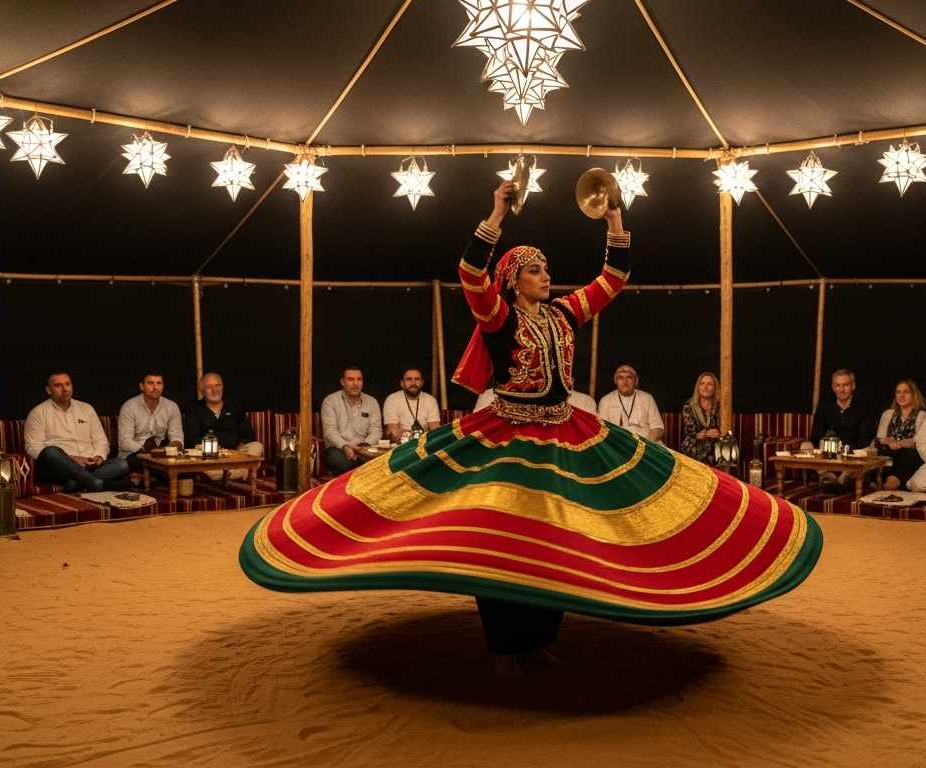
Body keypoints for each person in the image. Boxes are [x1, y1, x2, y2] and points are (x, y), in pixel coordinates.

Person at [240, 181, 821, 685]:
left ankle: (538, 639)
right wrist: (496, 214)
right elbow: (469, 272)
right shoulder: (499, 316)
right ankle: (502, 650)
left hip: (568, 433)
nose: (549, 276)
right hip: (506, 434)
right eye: (538, 269)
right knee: (502, 542)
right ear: (516, 279)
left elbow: (613, 279)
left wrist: (615, 220)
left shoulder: (565, 314)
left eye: (547, 269)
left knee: (559, 538)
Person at [25, 371, 131, 493]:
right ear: (49, 390)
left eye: (68, 384)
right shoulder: (38, 413)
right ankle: (96, 483)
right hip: (61, 468)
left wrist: (98, 457)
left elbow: (101, 441)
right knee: (50, 451)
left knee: (122, 464)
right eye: (58, 385)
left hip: (90, 464)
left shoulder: (86, 409)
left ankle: (78, 484)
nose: (65, 389)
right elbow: (33, 448)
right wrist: (69, 460)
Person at [183, 372, 264, 480]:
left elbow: (249, 434)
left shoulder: (234, 407)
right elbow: (192, 439)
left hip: (235, 454)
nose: (214, 390)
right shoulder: (194, 410)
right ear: (202, 390)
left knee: (257, 446)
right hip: (210, 457)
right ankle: (243, 472)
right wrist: (216, 450)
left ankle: (230, 474)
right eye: (209, 387)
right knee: (209, 469)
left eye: (217, 385)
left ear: (222, 387)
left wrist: (241, 444)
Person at [117, 371, 184, 477]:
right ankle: (163, 478)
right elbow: (124, 441)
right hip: (135, 454)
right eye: (150, 383)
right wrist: (146, 451)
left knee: (180, 462)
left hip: (161, 454)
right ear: (142, 386)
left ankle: (151, 478)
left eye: (159, 383)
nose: (155, 387)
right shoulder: (129, 407)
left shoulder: (172, 407)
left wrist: (175, 444)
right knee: (146, 463)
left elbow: (177, 436)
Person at [321, 366, 383, 476]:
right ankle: (362, 471)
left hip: (365, 449)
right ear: (342, 382)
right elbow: (330, 431)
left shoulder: (372, 402)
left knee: (384, 459)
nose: (355, 383)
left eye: (359, 379)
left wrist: (364, 447)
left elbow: (376, 430)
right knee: (339, 460)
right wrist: (345, 446)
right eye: (351, 379)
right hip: (339, 449)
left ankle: (358, 471)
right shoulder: (330, 401)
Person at [809, 369, 879, 454]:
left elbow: (866, 439)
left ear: (853, 386)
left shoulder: (865, 408)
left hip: (855, 456)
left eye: (845, 385)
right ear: (833, 387)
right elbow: (816, 437)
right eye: (837, 385)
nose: (841, 389)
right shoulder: (824, 408)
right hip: (827, 455)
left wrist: (844, 449)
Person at [875, 380, 926, 491]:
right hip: (889, 451)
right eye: (898, 392)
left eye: (906, 392)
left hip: (910, 454)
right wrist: (889, 442)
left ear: (914, 395)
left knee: (904, 455)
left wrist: (900, 443)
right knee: (877, 454)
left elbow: (919, 441)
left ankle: (891, 483)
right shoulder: (887, 414)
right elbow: (880, 438)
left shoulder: (921, 415)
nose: (901, 395)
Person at [596, 365, 665, 442]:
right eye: (620, 378)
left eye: (629, 377)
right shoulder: (606, 401)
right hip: (617, 444)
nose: (625, 381)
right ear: (615, 381)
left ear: (636, 381)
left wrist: (645, 446)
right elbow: (602, 430)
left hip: (646, 443)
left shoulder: (647, 398)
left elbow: (658, 428)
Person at [383, 368, 441, 443]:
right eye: (408, 379)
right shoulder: (392, 399)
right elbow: (393, 432)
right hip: (400, 445)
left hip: (424, 445)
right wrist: (416, 437)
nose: (413, 383)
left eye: (417, 379)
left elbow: (435, 431)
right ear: (402, 383)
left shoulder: (431, 400)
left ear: (422, 382)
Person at [679, 372, 723, 467]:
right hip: (694, 441)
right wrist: (705, 434)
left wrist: (719, 433)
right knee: (692, 445)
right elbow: (691, 432)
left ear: (715, 388)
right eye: (702, 383)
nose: (705, 387)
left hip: (716, 441)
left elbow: (724, 428)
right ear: (698, 387)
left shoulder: (721, 407)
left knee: (724, 447)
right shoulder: (689, 406)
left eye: (710, 384)